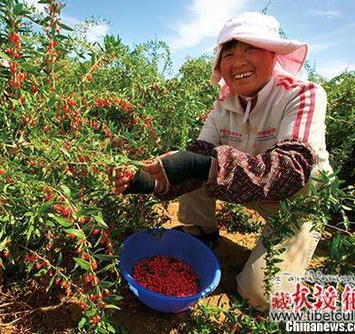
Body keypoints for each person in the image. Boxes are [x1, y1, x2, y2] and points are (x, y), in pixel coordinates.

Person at [112, 11, 332, 311]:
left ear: (273, 54)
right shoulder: (221, 107)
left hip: (296, 203)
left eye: (249, 48)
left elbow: (289, 171)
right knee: (198, 160)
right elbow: (198, 159)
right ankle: (201, 231)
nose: (238, 60)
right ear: (220, 63)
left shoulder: (302, 95)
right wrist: (145, 181)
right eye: (229, 52)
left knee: (259, 295)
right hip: (246, 188)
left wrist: (197, 165)